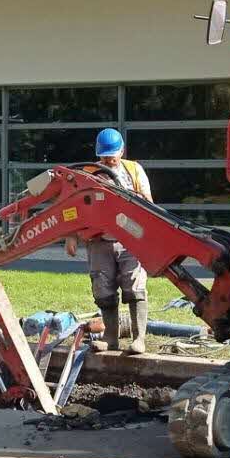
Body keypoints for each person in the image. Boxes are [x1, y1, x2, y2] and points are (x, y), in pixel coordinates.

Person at [64, 128, 153, 354]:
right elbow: (71, 207)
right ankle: (110, 339)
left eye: (112, 154)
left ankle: (139, 339)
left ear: (122, 151)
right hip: (99, 240)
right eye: (104, 155)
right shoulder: (88, 173)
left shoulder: (134, 171)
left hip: (131, 239)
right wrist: (71, 236)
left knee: (135, 287)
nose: (108, 159)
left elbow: (149, 203)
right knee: (103, 288)